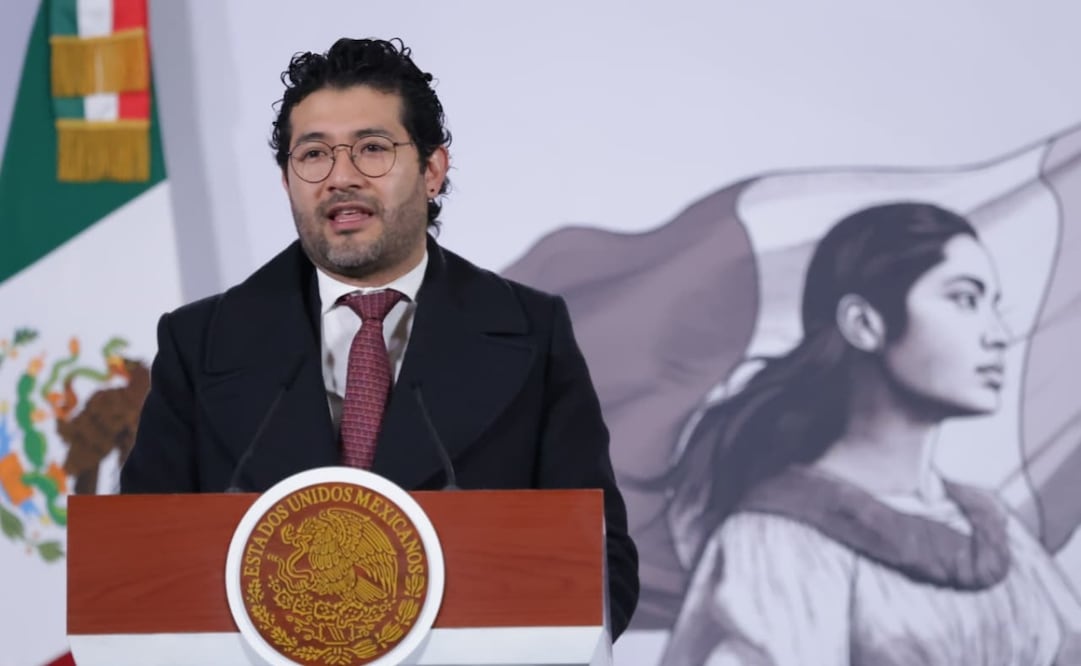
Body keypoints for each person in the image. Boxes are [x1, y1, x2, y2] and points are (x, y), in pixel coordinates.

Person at [119, 37, 638, 638]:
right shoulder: (200, 341)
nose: (340, 177)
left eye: (371, 149)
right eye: (313, 154)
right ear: (287, 181)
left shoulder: (530, 331)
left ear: (433, 170)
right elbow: (140, 566)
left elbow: (602, 568)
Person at [659, 203, 1081, 665]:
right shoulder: (779, 541)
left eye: (994, 305)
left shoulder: (995, 528)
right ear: (864, 324)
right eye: (964, 299)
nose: (998, 334)